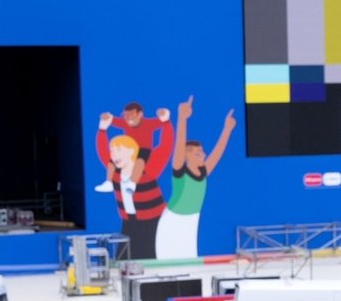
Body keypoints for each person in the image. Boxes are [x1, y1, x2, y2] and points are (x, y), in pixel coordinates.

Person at [156, 96, 237, 260]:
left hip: (191, 222)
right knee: (168, 263)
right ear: (186, 155)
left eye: (202, 152)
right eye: (198, 153)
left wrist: (227, 129)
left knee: (189, 263)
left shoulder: (203, 172)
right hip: (173, 221)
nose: (203, 155)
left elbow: (217, 152)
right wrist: (182, 118)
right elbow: (179, 146)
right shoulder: (180, 171)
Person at [94, 122, 170, 260]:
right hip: (129, 222)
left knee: (152, 256)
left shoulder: (148, 170)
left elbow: (165, 147)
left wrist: (166, 124)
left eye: (119, 150)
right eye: (112, 151)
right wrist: (102, 129)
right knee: (124, 258)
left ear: (131, 151)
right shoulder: (115, 174)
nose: (114, 154)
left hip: (153, 221)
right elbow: (101, 151)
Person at [95, 102, 169, 192]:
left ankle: (133, 183)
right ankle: (109, 182)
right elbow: (111, 119)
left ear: (140, 114)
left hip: (143, 149)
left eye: (131, 115)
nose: (129, 118)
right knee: (112, 160)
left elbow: (162, 121)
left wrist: (163, 114)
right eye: (126, 115)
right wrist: (105, 116)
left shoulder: (148, 123)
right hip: (127, 148)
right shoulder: (125, 122)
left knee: (140, 160)